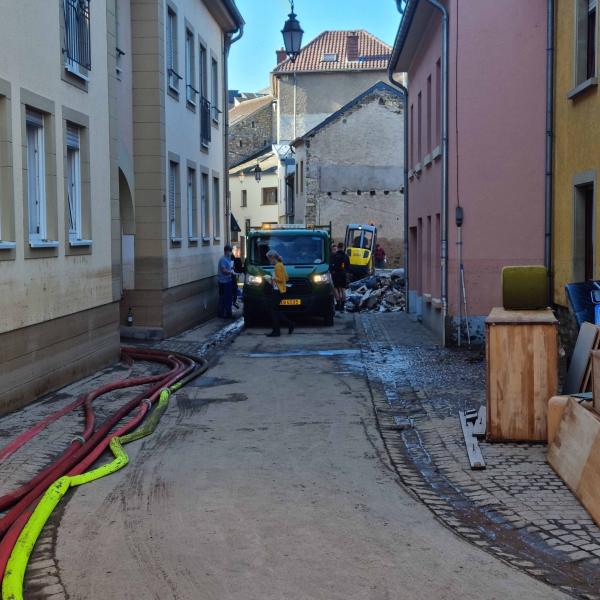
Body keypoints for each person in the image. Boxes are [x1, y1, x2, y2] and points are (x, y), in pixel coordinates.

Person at [265, 250, 294, 337]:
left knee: (273, 311)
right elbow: (287, 277)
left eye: (269, 258)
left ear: (272, 257)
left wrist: (272, 277)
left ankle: (278, 330)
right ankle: (288, 325)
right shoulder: (281, 264)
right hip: (281, 291)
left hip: (277, 291)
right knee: (275, 311)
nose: (269, 260)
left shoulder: (277, 266)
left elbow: (281, 279)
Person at [330, 242, 350, 311]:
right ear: (343, 247)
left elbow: (332, 266)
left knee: (336, 288)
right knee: (343, 289)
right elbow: (348, 266)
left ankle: (338, 303)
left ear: (338, 247)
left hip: (336, 274)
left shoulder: (334, 255)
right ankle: (342, 305)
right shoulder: (346, 256)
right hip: (343, 274)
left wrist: (332, 271)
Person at [217, 244, 234, 318]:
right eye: (229, 251)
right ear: (225, 251)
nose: (230, 252)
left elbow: (230, 267)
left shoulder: (229, 259)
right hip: (223, 282)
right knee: (223, 298)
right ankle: (222, 313)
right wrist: (231, 272)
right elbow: (223, 270)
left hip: (228, 281)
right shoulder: (223, 259)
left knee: (229, 298)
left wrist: (232, 269)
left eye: (231, 251)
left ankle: (228, 313)